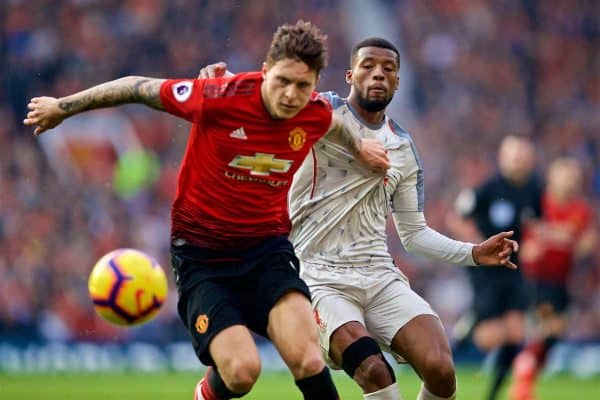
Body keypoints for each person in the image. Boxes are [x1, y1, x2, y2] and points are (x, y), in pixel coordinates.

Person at [23, 21, 391, 400]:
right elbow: (135, 86)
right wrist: (62, 108)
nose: (291, 95)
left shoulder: (312, 112)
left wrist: (360, 148)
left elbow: (332, 123)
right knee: (242, 372)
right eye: (282, 81)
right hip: (204, 258)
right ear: (265, 70)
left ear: (314, 84)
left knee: (309, 360)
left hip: (267, 252)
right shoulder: (218, 96)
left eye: (303, 85)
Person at [199, 37, 519, 400]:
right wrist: (220, 85)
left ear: (398, 82)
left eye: (388, 69)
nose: (378, 74)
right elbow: (274, 94)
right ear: (351, 75)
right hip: (318, 277)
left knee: (441, 369)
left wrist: (474, 253)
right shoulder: (320, 114)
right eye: (368, 66)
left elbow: (413, 235)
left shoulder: (403, 148)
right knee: (374, 371)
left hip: (379, 275)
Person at [447, 135, 542, 400]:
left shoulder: (533, 189)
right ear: (503, 158)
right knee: (488, 337)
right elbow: (456, 217)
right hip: (486, 270)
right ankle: (464, 333)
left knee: (516, 334)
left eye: (523, 156)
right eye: (514, 155)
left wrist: (534, 243)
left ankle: (492, 395)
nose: (518, 161)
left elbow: (535, 223)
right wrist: (478, 246)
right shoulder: (487, 189)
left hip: (513, 267)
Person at [509, 157, 597, 400]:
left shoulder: (581, 210)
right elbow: (527, 242)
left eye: (574, 178)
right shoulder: (539, 203)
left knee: (555, 333)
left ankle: (525, 373)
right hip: (536, 278)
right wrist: (563, 237)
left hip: (561, 281)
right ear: (553, 178)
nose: (570, 182)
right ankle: (523, 378)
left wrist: (555, 238)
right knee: (547, 327)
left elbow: (585, 246)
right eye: (566, 176)